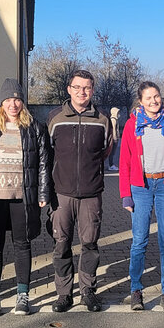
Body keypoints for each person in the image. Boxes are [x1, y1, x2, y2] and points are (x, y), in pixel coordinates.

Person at [0, 79, 52, 317]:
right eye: (8, 99)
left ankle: (22, 295)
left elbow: (45, 163)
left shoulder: (35, 127)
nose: (13, 104)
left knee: (22, 245)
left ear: (22, 102)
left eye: (17, 99)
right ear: (2, 102)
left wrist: (43, 193)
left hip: (22, 197)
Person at [46, 69, 112, 313]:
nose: (82, 92)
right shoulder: (55, 118)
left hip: (91, 194)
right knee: (61, 244)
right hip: (61, 194)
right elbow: (48, 155)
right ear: (68, 89)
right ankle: (64, 294)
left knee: (90, 244)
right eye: (77, 87)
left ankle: (88, 291)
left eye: (87, 88)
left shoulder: (102, 120)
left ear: (92, 90)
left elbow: (105, 151)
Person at [118, 81, 164, 312]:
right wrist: (125, 195)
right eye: (148, 98)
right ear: (141, 101)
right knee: (139, 241)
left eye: (156, 96)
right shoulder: (132, 125)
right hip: (141, 187)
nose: (153, 101)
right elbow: (125, 162)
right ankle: (136, 289)